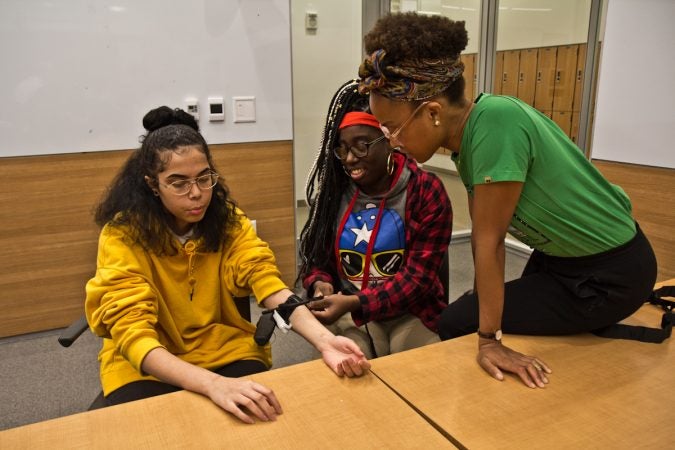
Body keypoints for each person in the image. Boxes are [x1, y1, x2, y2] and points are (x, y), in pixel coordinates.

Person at [357, 13, 657, 388]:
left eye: (393, 128)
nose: (392, 140)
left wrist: (490, 341)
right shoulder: (470, 136)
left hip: (610, 276)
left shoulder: (496, 122)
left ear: (432, 112)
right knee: (480, 305)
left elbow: (489, 242)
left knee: (460, 321)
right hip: (560, 261)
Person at [85, 106, 370, 424]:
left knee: (258, 421)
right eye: (178, 183)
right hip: (149, 362)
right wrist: (213, 386)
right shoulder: (122, 235)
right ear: (153, 185)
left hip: (222, 349)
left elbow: (268, 284)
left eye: (204, 178)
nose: (196, 194)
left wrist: (325, 341)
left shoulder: (227, 220)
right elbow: (134, 336)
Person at [298, 80, 453, 359]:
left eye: (362, 146)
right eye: (342, 148)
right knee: (348, 367)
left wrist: (356, 302)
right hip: (350, 312)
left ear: (390, 140)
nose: (349, 159)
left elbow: (417, 280)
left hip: (410, 311)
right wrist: (321, 285)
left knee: (426, 370)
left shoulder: (425, 190)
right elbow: (317, 260)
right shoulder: (334, 193)